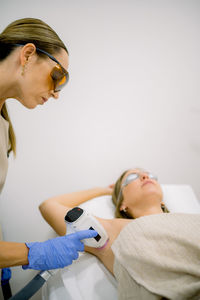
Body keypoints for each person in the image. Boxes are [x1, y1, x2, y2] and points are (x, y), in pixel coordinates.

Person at [0, 18, 97, 271]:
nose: (56, 93)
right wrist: (30, 252)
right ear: (28, 55)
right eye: (59, 77)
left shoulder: (3, 124)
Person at [39, 168, 200, 299]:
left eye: (150, 175)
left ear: (163, 200)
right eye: (132, 178)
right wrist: (102, 191)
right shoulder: (111, 230)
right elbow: (49, 205)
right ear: (122, 204)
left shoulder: (193, 219)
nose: (145, 176)